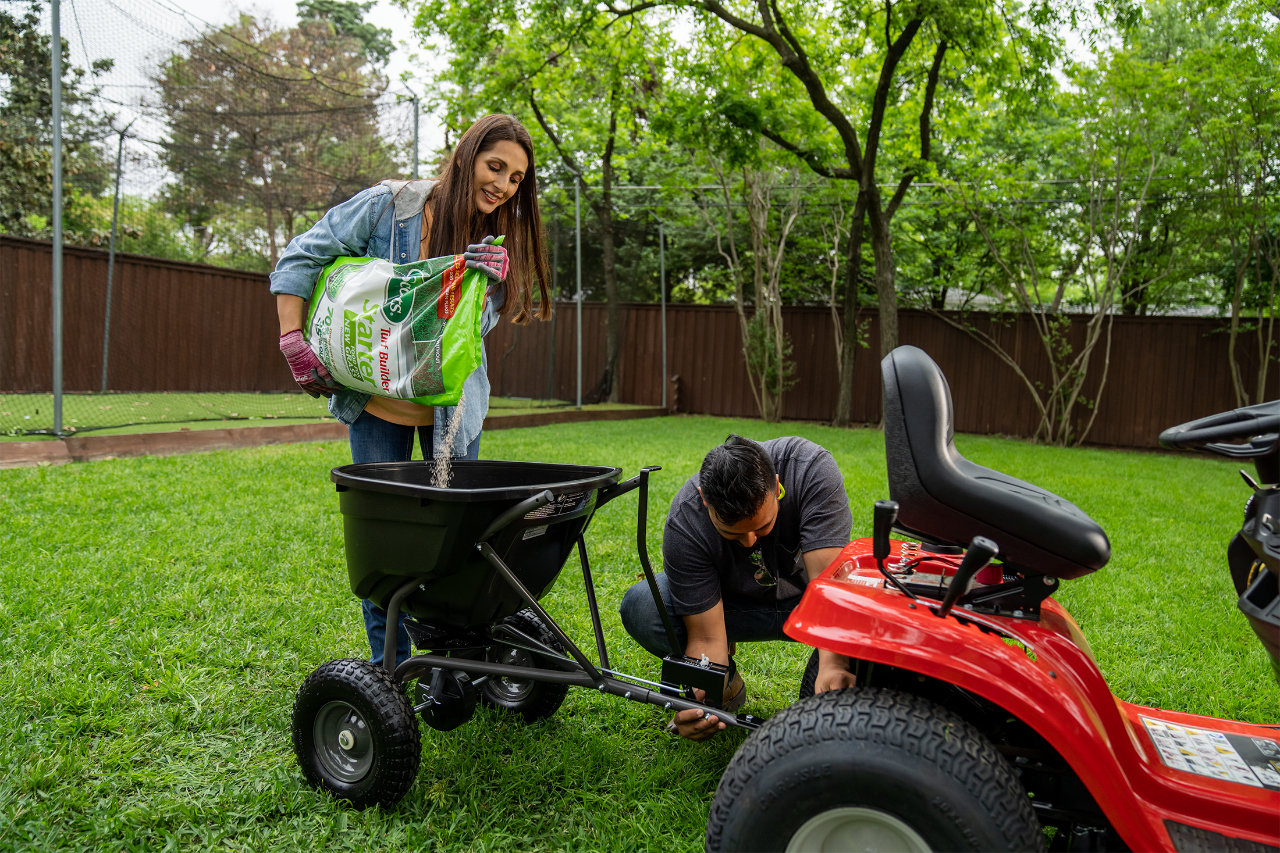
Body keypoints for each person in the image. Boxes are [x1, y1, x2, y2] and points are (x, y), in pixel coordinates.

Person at [269, 114, 552, 670]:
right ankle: (389, 672)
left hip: (452, 416)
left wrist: (487, 288)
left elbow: (472, 334)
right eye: (496, 167)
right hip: (376, 408)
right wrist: (291, 338)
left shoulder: (491, 240)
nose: (503, 185)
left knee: (462, 545)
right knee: (388, 553)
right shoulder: (387, 207)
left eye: (516, 179)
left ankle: (454, 664)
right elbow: (300, 256)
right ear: (468, 155)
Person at [619, 434, 857, 740]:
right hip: (733, 607)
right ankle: (728, 684)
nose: (749, 541)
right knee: (646, 606)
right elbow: (706, 637)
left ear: (776, 485)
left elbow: (829, 586)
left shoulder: (810, 469)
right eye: (732, 533)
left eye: (762, 526)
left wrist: (835, 662)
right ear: (705, 499)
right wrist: (700, 699)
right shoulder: (686, 519)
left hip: (808, 601)